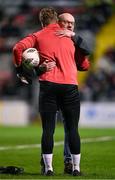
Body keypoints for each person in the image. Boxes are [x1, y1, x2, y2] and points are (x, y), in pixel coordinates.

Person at [13, 7, 90, 176]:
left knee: (48, 130)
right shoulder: (71, 38)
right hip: (69, 86)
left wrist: (23, 70)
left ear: (42, 21)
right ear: (57, 20)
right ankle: (74, 167)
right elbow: (85, 65)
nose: (69, 26)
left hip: (48, 85)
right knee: (72, 129)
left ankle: (48, 168)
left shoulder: (38, 36)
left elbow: (17, 48)